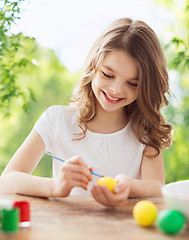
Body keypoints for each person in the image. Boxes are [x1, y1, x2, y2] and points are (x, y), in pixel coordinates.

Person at [0, 18, 172, 207]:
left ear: (145, 87)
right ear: (93, 66)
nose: (116, 89)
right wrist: (56, 186)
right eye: (108, 74)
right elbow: (6, 181)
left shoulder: (144, 131)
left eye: (132, 83)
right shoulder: (56, 120)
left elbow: (158, 189)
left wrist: (129, 188)